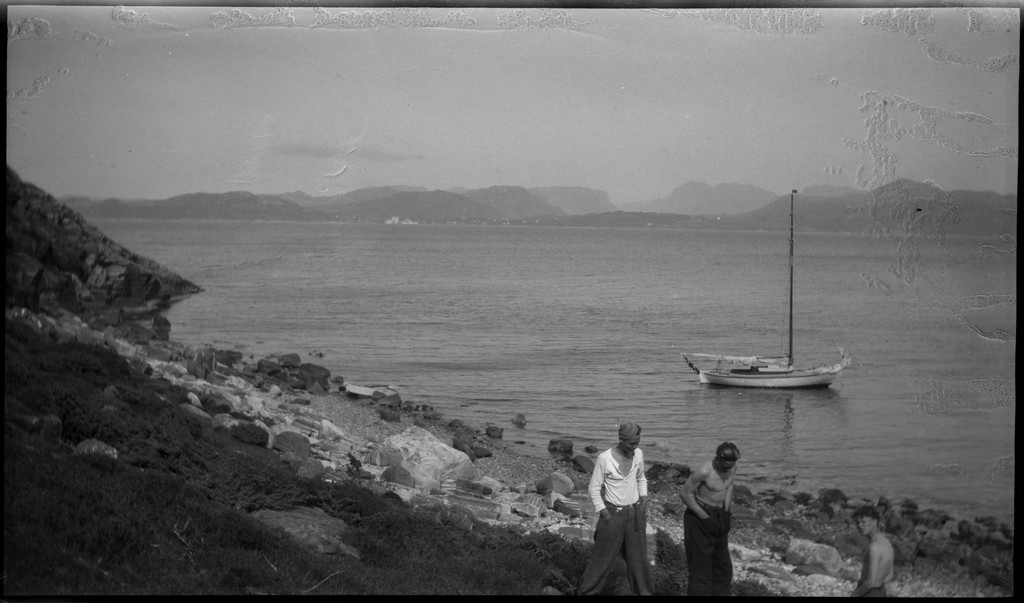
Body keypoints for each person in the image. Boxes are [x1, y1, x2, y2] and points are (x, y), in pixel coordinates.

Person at [577, 421, 653, 596]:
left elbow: (641, 478)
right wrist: (605, 514)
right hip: (612, 515)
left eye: (637, 442)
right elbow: (594, 489)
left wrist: (644, 499)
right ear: (621, 439)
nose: (635, 447)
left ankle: (645, 593)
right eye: (631, 443)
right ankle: (587, 592)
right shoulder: (605, 458)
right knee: (601, 560)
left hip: (635, 515)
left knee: (639, 561)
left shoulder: (638, 454)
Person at [679, 441, 740, 596]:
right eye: (725, 465)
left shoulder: (733, 467)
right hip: (700, 517)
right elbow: (685, 493)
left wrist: (727, 510)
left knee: (724, 569)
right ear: (717, 459)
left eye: (731, 465)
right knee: (701, 571)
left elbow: (730, 485)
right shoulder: (705, 470)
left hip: (720, 515)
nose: (728, 468)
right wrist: (704, 517)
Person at [850, 505, 895, 597]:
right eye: (858, 522)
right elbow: (890, 575)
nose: (859, 525)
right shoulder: (886, 542)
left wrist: (855, 594)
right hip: (880, 591)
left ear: (875, 522)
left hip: (869, 592)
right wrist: (878, 585)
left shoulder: (874, 548)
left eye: (863, 522)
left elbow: (871, 581)